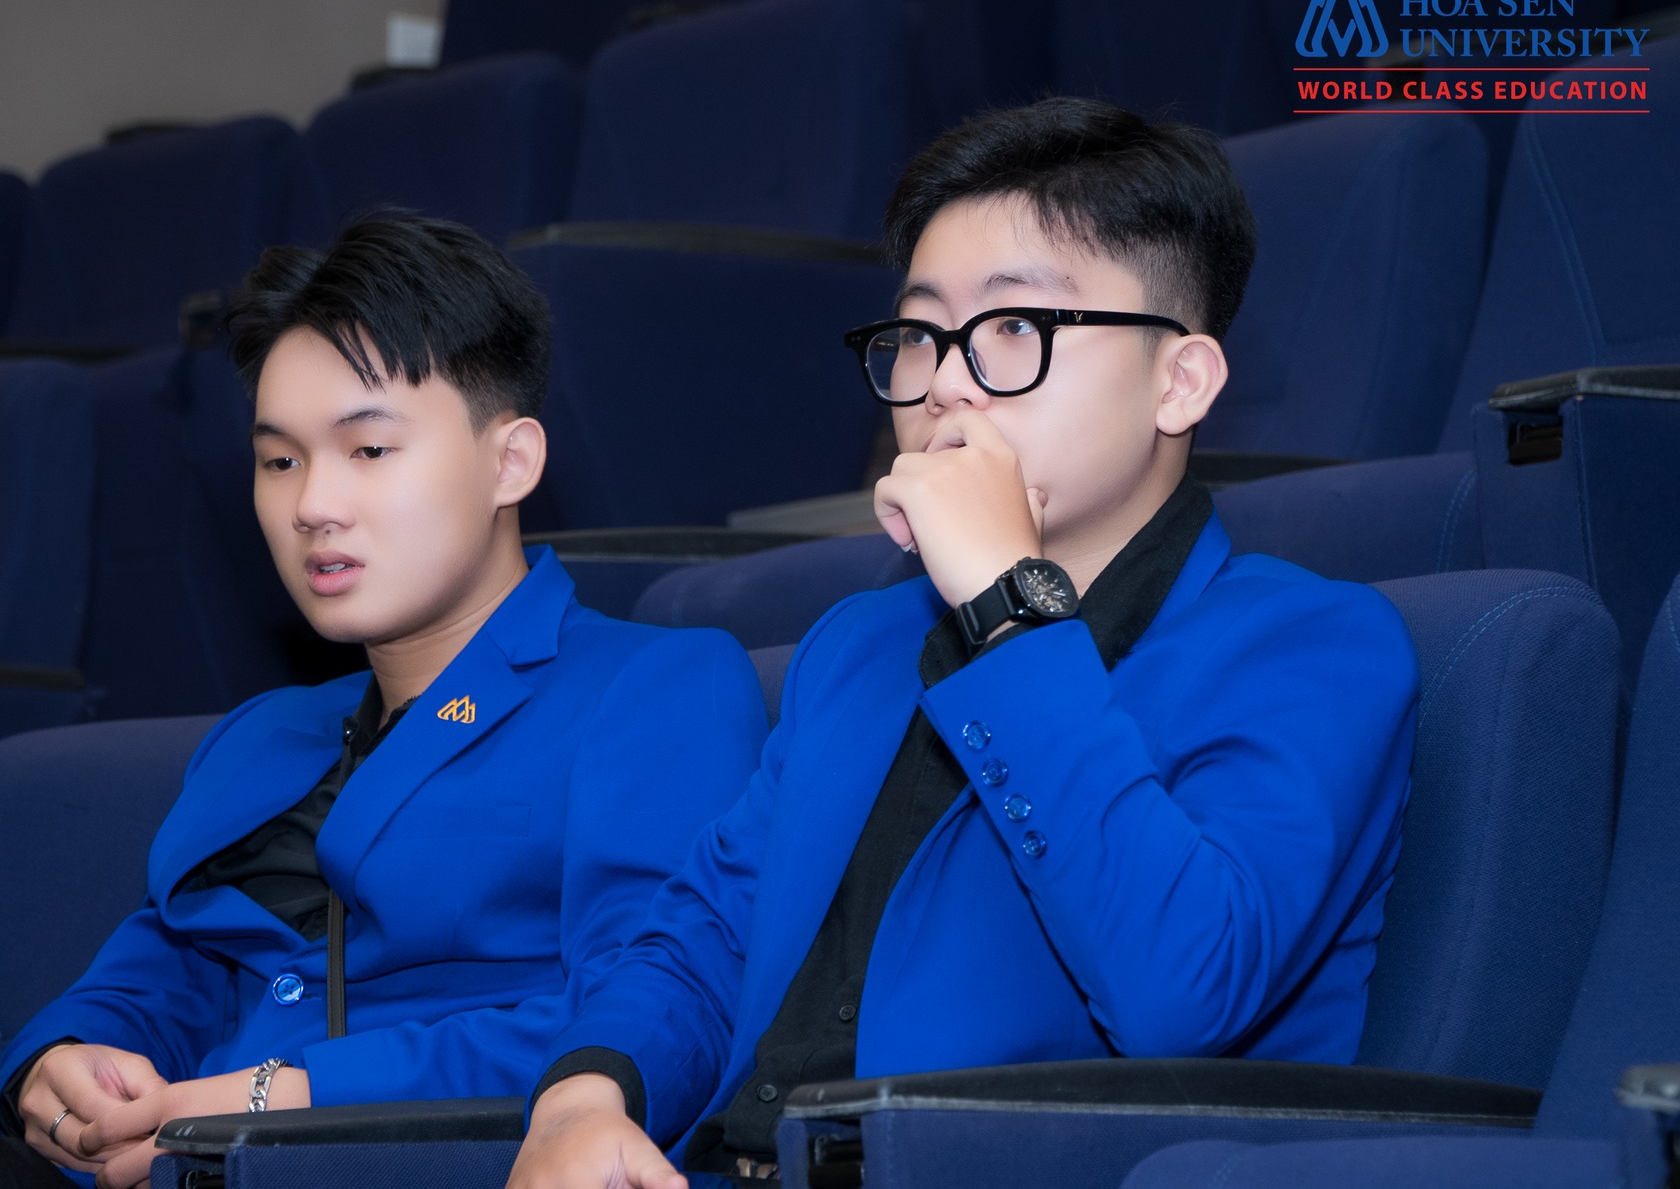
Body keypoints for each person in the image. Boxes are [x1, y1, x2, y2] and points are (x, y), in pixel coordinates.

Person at [0, 213, 768, 1189]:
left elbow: (650, 1001)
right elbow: (163, 964)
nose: (313, 504)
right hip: (168, 1164)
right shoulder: (264, 737)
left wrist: (267, 1092)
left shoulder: (652, 686)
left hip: (399, 1162)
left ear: (511, 461)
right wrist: (69, 1060)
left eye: (368, 450)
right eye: (280, 461)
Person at [508, 97, 1419, 1188]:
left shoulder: (1313, 648)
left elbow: (1182, 990)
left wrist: (1005, 604)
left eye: (1011, 330)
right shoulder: (859, 643)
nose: (942, 382)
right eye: (920, 335)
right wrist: (587, 1092)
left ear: (1178, 383)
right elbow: (707, 932)